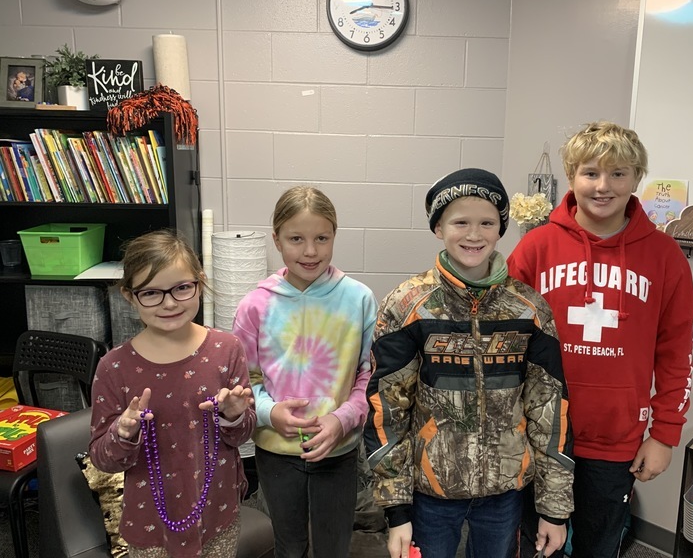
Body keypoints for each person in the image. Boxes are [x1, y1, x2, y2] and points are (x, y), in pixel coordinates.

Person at [364, 168, 574, 558]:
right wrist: (396, 510)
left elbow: (550, 411)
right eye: (461, 222)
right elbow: (387, 411)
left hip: (504, 493)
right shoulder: (407, 305)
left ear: (500, 229)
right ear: (438, 227)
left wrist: (554, 508)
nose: (474, 234)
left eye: (487, 223)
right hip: (430, 494)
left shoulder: (529, 309)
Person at [508, 122, 693, 558]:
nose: (603, 186)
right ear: (572, 176)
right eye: (591, 172)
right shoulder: (535, 248)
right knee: (535, 546)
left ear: (637, 178)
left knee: (599, 546)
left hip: (616, 440)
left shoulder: (665, 257)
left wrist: (664, 434)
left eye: (618, 173)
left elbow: (676, 352)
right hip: (539, 432)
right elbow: (507, 342)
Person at [89, 229, 256, 558]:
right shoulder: (114, 367)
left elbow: (243, 436)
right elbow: (102, 460)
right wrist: (123, 432)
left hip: (218, 513)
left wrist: (234, 415)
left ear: (199, 283)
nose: (169, 303)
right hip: (149, 524)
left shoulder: (227, 349)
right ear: (129, 295)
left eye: (181, 288)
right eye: (151, 293)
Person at [233, 185, 378, 558]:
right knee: (289, 545)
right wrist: (270, 413)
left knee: (334, 546)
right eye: (296, 239)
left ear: (334, 236)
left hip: (338, 450)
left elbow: (368, 377)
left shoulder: (359, 299)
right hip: (276, 451)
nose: (310, 251)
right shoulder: (254, 306)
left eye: (321, 238)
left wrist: (342, 419)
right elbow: (244, 382)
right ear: (277, 239)